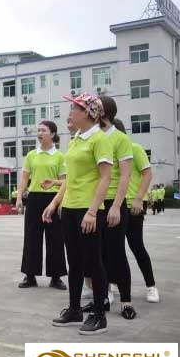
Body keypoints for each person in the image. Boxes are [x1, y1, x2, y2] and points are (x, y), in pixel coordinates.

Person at [43, 93, 112, 335]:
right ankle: (75, 309)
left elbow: (106, 177)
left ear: (88, 113)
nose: (70, 112)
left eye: (74, 108)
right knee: (74, 262)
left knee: (94, 262)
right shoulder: (75, 140)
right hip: (70, 208)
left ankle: (99, 315)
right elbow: (69, 179)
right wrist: (54, 203)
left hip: (88, 210)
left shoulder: (99, 139)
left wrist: (92, 212)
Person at [96, 96, 136, 319]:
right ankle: (102, 297)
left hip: (113, 203)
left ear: (103, 112)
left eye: (94, 107)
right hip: (95, 202)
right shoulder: (92, 137)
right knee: (98, 253)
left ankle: (126, 301)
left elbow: (125, 176)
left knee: (117, 252)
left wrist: (116, 207)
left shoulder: (120, 139)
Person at [16, 120, 67, 290]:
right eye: (38, 130)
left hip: (53, 199)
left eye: (43, 130)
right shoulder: (31, 155)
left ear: (52, 134)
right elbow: (24, 178)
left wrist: (58, 198)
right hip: (34, 199)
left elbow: (65, 182)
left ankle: (56, 277)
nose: (39, 133)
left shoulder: (59, 156)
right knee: (31, 237)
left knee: (55, 238)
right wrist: (19, 197)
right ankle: (30, 276)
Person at [113, 119, 160, 303]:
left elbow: (147, 174)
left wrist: (139, 198)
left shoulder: (134, 148)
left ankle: (151, 286)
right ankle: (113, 284)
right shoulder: (107, 151)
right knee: (113, 249)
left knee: (136, 246)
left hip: (132, 205)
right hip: (113, 205)